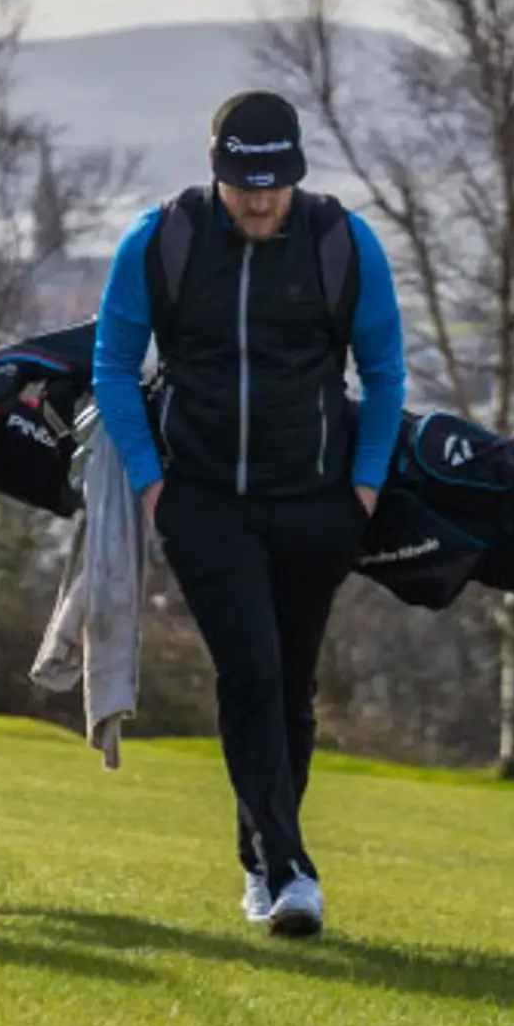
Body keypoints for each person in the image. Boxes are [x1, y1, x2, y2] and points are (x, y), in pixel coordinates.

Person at [92, 90, 405, 936]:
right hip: (202, 502)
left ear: (296, 174)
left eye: (274, 184)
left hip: (317, 502)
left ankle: (261, 858)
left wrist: (365, 489)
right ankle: (289, 869)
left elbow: (385, 372)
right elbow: (114, 365)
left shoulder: (343, 241)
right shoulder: (162, 241)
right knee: (252, 672)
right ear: (215, 170)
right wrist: (154, 484)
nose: (260, 201)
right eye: (242, 183)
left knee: (293, 690)